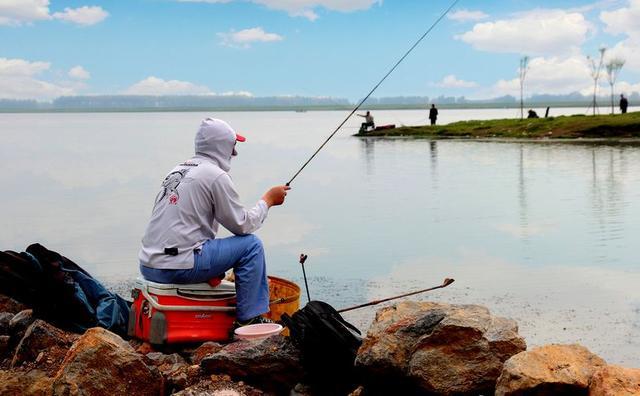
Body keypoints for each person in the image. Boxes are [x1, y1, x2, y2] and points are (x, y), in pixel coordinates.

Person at [138, 117, 290, 327]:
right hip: (177, 266)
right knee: (251, 245)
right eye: (233, 145)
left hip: (149, 265)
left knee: (213, 247)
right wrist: (268, 200)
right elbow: (242, 225)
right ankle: (250, 319)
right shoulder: (215, 175)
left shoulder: (177, 170)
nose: (235, 153)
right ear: (222, 146)